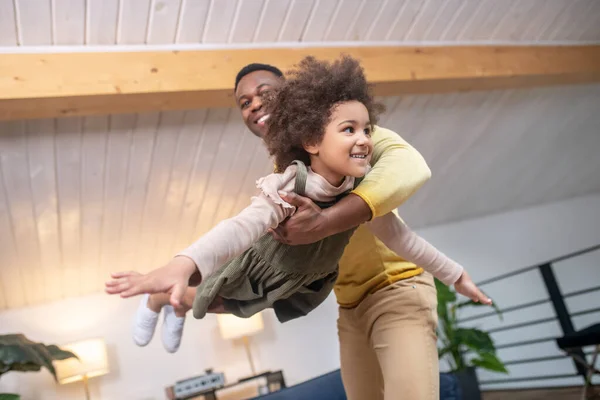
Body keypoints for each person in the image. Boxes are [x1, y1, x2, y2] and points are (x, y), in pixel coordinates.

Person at [107, 56, 490, 400]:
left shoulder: (353, 139)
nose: (255, 104)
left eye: (264, 93)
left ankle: (168, 300)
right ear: (308, 140)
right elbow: (241, 226)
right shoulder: (290, 176)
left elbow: (407, 198)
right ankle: (165, 301)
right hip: (347, 303)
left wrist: (454, 274)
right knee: (236, 289)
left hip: (397, 288)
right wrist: (183, 263)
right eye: (245, 102)